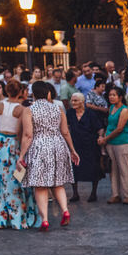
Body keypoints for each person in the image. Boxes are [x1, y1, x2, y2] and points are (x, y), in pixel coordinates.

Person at [19, 80, 79, 230]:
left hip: (39, 146)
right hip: (58, 145)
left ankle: (45, 219)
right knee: (58, 183)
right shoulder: (58, 108)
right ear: (48, 93)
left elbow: (27, 135)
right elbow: (65, 131)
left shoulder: (29, 110)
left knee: (40, 186)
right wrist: (72, 150)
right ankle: (65, 210)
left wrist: (21, 155)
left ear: (33, 94)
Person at [0, 79, 39, 230]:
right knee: (16, 181)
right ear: (20, 92)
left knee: (0, 181)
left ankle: (3, 218)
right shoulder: (21, 109)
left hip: (0, 143)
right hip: (13, 144)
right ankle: (19, 217)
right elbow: (20, 132)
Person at [66, 93, 105, 203]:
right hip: (75, 144)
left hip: (90, 144)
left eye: (75, 100)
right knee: (74, 168)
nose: (73, 103)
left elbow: (100, 127)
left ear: (82, 102)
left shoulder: (90, 114)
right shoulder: (70, 113)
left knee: (93, 168)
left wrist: (100, 136)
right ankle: (75, 193)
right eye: (72, 100)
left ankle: (93, 193)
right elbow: (67, 127)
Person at [97, 86, 128, 204]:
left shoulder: (124, 110)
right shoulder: (111, 108)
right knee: (113, 169)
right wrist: (103, 138)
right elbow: (110, 125)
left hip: (122, 142)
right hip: (110, 142)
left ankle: (127, 194)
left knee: (124, 168)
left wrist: (105, 139)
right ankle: (115, 194)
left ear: (120, 97)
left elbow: (119, 128)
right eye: (110, 95)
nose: (111, 97)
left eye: (114, 95)